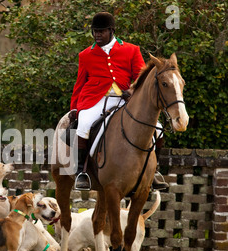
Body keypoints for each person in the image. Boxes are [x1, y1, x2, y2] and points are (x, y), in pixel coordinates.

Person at [70, 12, 168, 191]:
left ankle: (154, 171)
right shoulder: (86, 55)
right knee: (84, 124)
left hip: (125, 99)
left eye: (101, 32)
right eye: (95, 32)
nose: (97, 35)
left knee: (159, 129)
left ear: (111, 30)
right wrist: (74, 108)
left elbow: (140, 77)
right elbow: (79, 83)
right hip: (96, 99)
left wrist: (130, 90)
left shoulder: (131, 49)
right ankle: (81, 172)